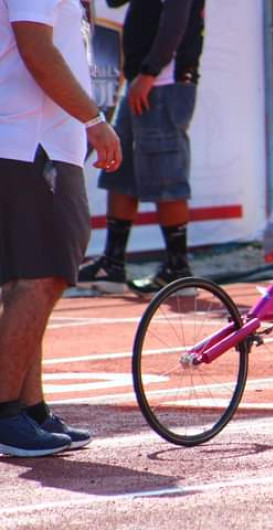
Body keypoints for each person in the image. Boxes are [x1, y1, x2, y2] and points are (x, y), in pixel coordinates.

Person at [0, 0, 122, 457]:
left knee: (27, 281)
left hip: (33, 143)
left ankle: (28, 409)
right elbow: (35, 46)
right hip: (32, 142)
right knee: (41, 278)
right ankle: (7, 411)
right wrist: (93, 120)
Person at [77, 0, 205, 295]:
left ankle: (178, 268)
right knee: (122, 172)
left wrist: (149, 72)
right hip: (142, 80)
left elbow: (176, 19)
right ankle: (113, 264)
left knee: (166, 174)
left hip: (161, 82)